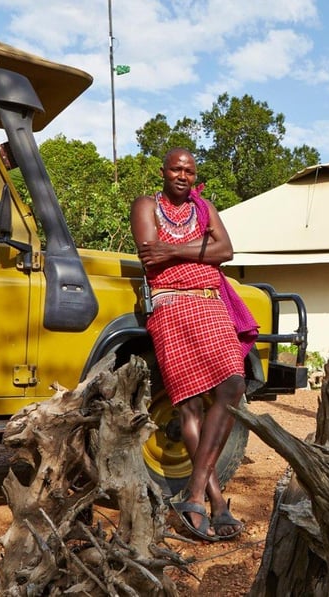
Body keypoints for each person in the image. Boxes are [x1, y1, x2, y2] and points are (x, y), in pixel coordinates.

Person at [131, 148, 251, 542]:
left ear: (195, 176)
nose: (182, 175)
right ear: (164, 171)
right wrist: (200, 253)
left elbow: (227, 252)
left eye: (190, 170)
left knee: (233, 386)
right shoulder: (146, 206)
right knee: (189, 404)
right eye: (176, 168)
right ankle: (214, 503)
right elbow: (151, 258)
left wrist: (175, 250)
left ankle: (194, 493)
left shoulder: (205, 208)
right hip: (169, 306)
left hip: (208, 301)